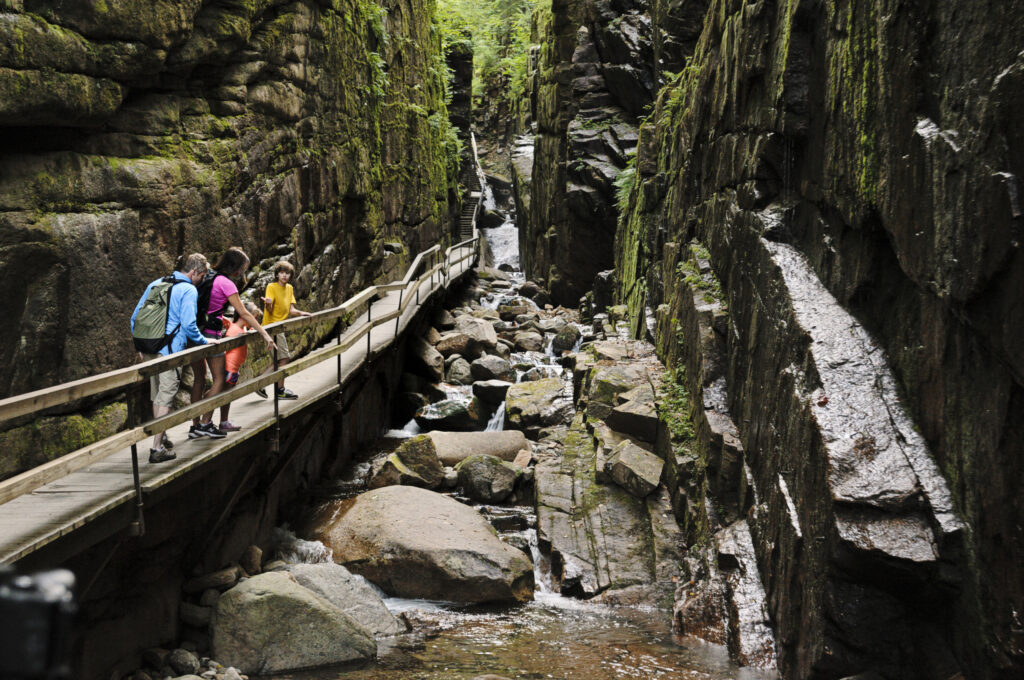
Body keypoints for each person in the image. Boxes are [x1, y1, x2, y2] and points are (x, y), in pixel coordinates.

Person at [130, 253, 209, 463]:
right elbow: (189, 325)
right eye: (201, 275)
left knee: (157, 393)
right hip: (170, 352)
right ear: (194, 272)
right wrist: (205, 342)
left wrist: (141, 343)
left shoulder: (157, 283)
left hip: (149, 347)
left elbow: (135, 316)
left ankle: (161, 435)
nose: (201, 280)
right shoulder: (188, 289)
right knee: (166, 395)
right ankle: (156, 449)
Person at [189, 247, 276, 439]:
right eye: (243, 268)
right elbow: (244, 313)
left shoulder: (207, 276)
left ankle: (195, 426)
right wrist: (265, 335)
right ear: (235, 267)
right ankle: (205, 423)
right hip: (211, 335)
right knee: (220, 379)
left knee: (199, 379)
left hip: (194, 334)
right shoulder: (226, 283)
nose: (243, 272)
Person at [256, 260, 312, 400]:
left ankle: (261, 385)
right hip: (271, 326)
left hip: (279, 327)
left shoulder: (289, 289)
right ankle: (277, 389)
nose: (284, 276)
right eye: (281, 273)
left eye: (287, 273)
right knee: (284, 358)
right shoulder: (271, 287)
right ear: (277, 274)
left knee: (278, 360)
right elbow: (269, 308)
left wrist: (301, 313)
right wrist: (268, 304)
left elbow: (291, 309)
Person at [216, 302, 260, 432]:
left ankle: (224, 420)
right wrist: (239, 336)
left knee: (227, 394)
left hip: (234, 369)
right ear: (244, 316)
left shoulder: (240, 328)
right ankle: (223, 421)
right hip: (230, 369)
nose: (255, 320)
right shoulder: (234, 330)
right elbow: (229, 339)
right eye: (253, 317)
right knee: (225, 394)